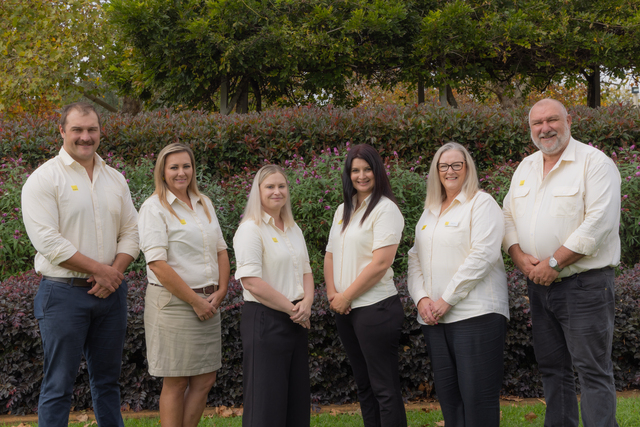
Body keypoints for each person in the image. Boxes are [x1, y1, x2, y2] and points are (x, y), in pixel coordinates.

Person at [503, 98, 621, 427]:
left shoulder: (594, 163)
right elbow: (507, 215)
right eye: (537, 123)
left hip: (585, 286)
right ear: (530, 128)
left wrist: (553, 263)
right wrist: (518, 256)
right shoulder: (525, 167)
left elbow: (599, 224)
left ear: (568, 120)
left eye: (552, 120)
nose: (545, 128)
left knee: (592, 371)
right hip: (539, 285)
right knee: (553, 369)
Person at [21, 102, 139, 427]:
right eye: (77, 129)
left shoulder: (115, 179)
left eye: (91, 129)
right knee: (58, 386)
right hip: (63, 295)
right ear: (62, 131)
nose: (85, 137)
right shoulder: (44, 179)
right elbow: (48, 242)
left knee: (108, 383)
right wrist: (102, 271)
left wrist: (113, 274)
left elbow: (132, 232)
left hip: (110, 295)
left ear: (100, 132)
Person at [407, 142, 509, 426]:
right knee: (450, 401)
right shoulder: (430, 211)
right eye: (443, 166)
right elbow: (414, 257)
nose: (449, 171)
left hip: (475, 315)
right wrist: (422, 299)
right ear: (436, 171)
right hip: (435, 319)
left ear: (467, 169)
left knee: (478, 401)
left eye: (456, 165)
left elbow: (483, 255)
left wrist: (446, 300)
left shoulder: (482, 203)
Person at [138, 143, 230, 427]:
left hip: (209, 302)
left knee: (205, 379)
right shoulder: (154, 208)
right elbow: (157, 264)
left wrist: (222, 289)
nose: (181, 172)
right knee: (176, 381)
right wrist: (194, 301)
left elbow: (220, 249)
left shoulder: (204, 203)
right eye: (174, 167)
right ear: (162, 172)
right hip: (174, 304)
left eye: (186, 166)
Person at [324, 144, 407, 427]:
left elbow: (381, 263)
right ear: (348, 174)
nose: (361, 176)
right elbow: (330, 254)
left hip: (376, 309)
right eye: (355, 170)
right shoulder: (342, 210)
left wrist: (346, 295)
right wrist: (333, 294)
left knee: (384, 388)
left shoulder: (385, 209)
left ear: (377, 171)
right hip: (345, 309)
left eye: (367, 169)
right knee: (364, 386)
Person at [233, 164, 314, 427]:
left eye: (281, 186)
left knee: (296, 400)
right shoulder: (250, 229)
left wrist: (307, 303)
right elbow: (251, 282)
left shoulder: (293, 228)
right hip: (266, 320)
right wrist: (293, 309)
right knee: (265, 403)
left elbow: (306, 271)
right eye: (270, 186)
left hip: (297, 319)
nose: (277, 191)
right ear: (258, 191)